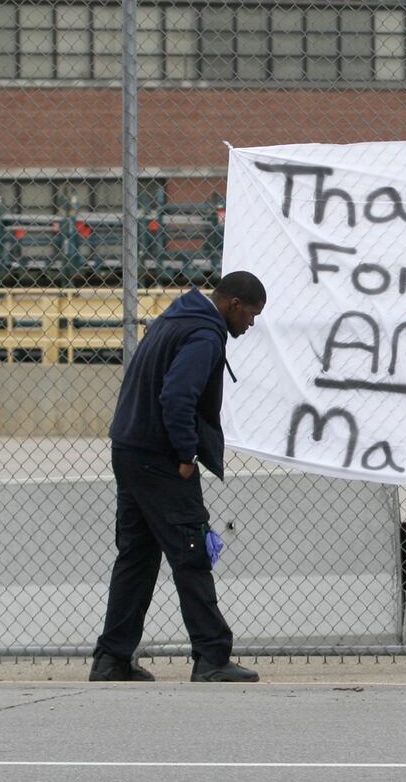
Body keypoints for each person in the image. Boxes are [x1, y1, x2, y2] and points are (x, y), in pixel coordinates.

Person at [91, 271, 267, 683]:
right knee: (192, 552)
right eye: (252, 315)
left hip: (130, 449)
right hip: (162, 458)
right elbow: (177, 395)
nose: (251, 324)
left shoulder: (176, 318)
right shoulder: (204, 336)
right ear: (233, 305)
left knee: (136, 556)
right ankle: (211, 657)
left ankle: (111, 659)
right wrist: (186, 452)